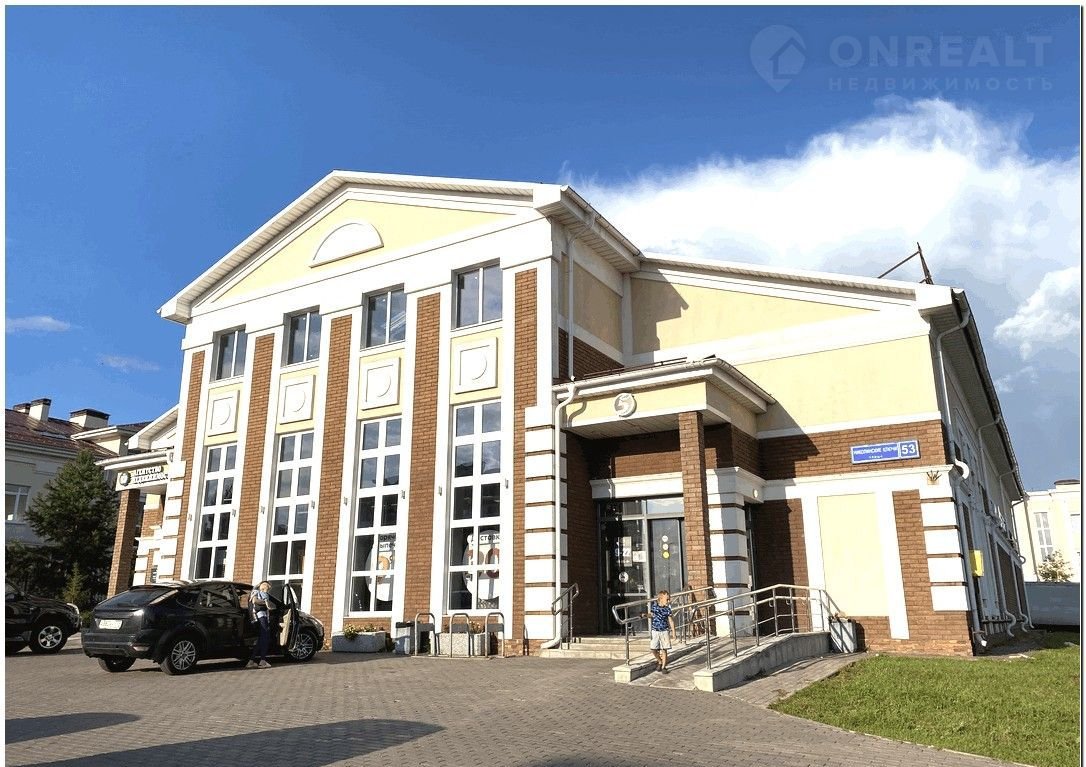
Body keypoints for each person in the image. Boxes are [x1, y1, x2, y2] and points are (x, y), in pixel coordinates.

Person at [246, 581, 274, 669]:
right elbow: (255, 601)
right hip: (261, 617)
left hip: (260, 617)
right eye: (267, 589)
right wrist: (266, 603)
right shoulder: (256, 592)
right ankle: (262, 661)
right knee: (265, 638)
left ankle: (252, 661)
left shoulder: (257, 592)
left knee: (261, 639)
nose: (267, 591)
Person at [648, 590, 676, 674]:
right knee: (653, 648)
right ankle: (659, 661)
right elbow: (651, 615)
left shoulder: (667, 609)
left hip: (664, 631)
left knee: (664, 649)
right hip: (655, 630)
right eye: (667, 599)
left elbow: (671, 621)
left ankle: (663, 667)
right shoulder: (654, 607)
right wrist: (645, 615)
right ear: (660, 599)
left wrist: (673, 632)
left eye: (669, 599)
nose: (668, 601)